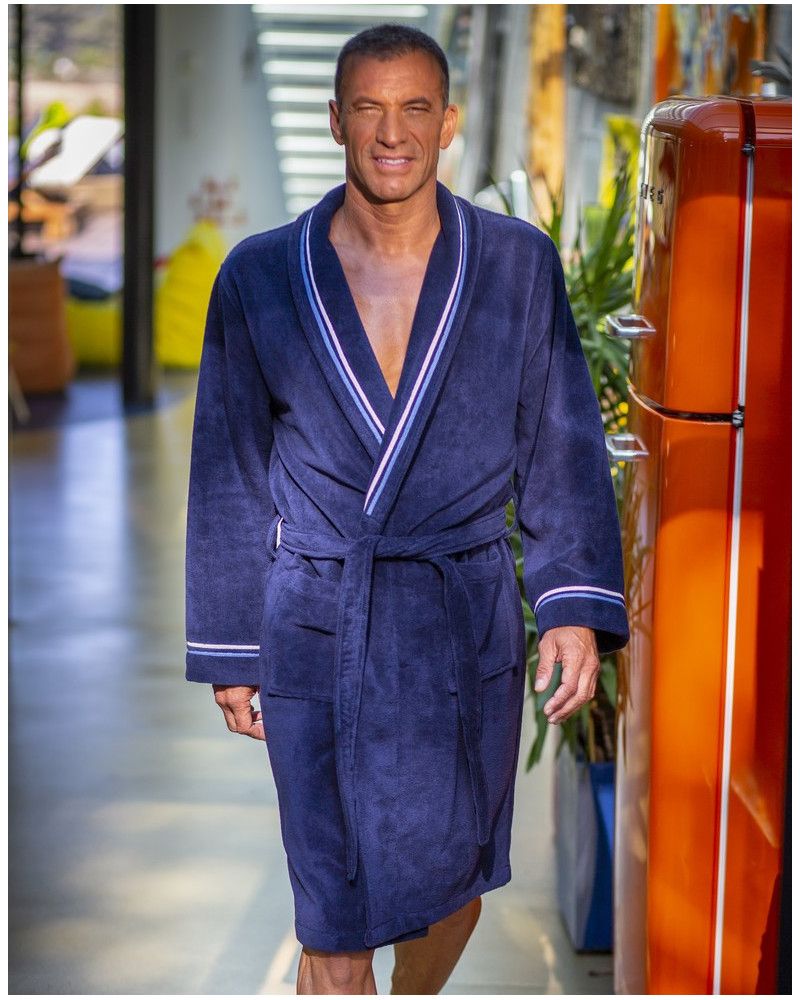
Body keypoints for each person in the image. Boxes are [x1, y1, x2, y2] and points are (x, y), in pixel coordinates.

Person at [184, 23, 629, 996]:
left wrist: (568, 608)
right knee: (332, 918)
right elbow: (228, 469)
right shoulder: (262, 275)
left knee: (454, 885)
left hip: (458, 620)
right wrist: (231, 642)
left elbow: (558, 441)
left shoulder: (514, 265)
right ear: (334, 119)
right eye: (369, 108)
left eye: (414, 107)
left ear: (448, 122)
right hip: (318, 621)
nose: (392, 132)